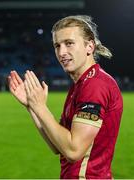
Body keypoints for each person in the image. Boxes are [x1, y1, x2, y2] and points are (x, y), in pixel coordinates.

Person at [8, 15, 123, 179]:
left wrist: (40, 107)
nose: (61, 52)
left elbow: (73, 151)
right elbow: (58, 146)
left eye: (69, 43)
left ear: (89, 46)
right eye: (57, 45)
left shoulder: (95, 85)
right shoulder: (81, 85)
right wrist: (32, 107)